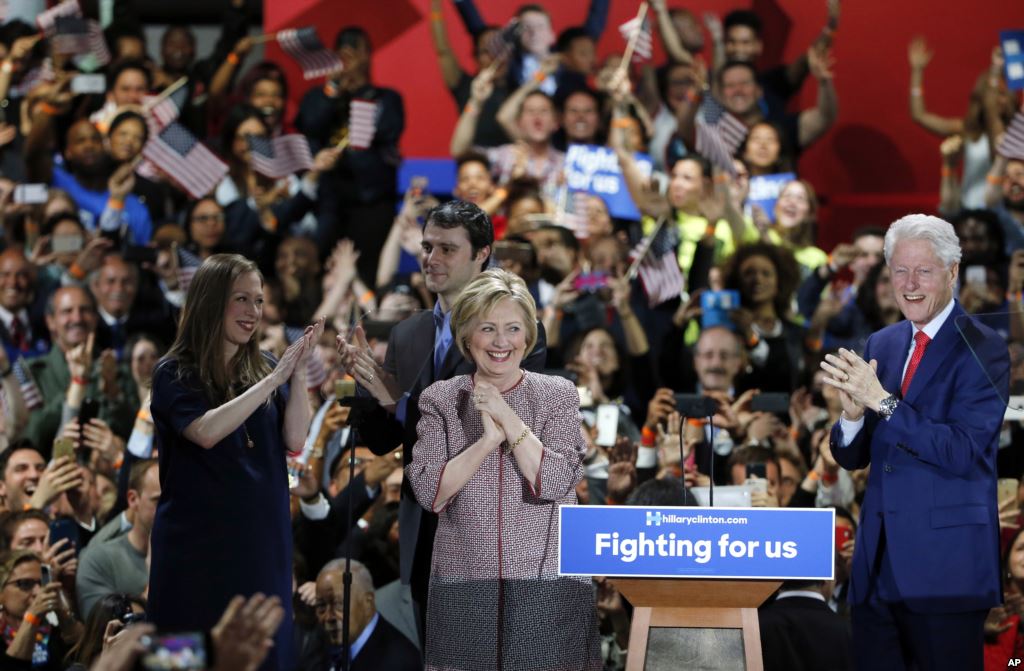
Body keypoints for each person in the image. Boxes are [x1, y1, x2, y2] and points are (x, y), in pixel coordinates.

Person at [335, 201, 547, 642]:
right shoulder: (406, 333)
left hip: (492, 531)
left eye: (447, 249)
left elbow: (494, 423)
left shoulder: (517, 331)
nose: (431, 259)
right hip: (425, 531)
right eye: (427, 247)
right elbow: (384, 440)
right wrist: (365, 389)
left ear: (481, 254)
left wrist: (397, 398)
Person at [821, 213, 1010, 670]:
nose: (909, 283)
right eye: (899, 270)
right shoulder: (881, 344)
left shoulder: (984, 347)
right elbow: (854, 456)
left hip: (945, 570)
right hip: (876, 567)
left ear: (952, 271)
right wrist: (850, 418)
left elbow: (962, 450)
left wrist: (882, 402)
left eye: (923, 270)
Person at [406, 268, 601, 669]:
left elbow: (556, 479)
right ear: (466, 336)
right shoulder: (441, 400)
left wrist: (504, 416)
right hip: (465, 582)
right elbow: (431, 494)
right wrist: (485, 442)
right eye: (487, 329)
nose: (501, 342)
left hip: (544, 582)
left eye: (513, 328)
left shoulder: (557, 395)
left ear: (528, 336)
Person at [148, 253, 325, 671]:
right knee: (187, 654)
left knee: (263, 650)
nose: (253, 312)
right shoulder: (174, 372)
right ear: (211, 301)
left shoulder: (264, 367)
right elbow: (205, 432)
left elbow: (295, 439)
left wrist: (296, 376)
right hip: (197, 549)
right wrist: (276, 379)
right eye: (241, 299)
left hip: (261, 543)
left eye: (259, 301)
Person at [75, 459, 158, 619]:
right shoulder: (98, 560)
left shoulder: (196, 552)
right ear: (133, 499)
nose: (171, 509)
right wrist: (157, 575)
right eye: (160, 500)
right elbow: (102, 633)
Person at [308, 559, 420, 671]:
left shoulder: (399, 662)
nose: (328, 617)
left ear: (368, 602)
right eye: (321, 606)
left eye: (339, 604)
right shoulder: (318, 646)